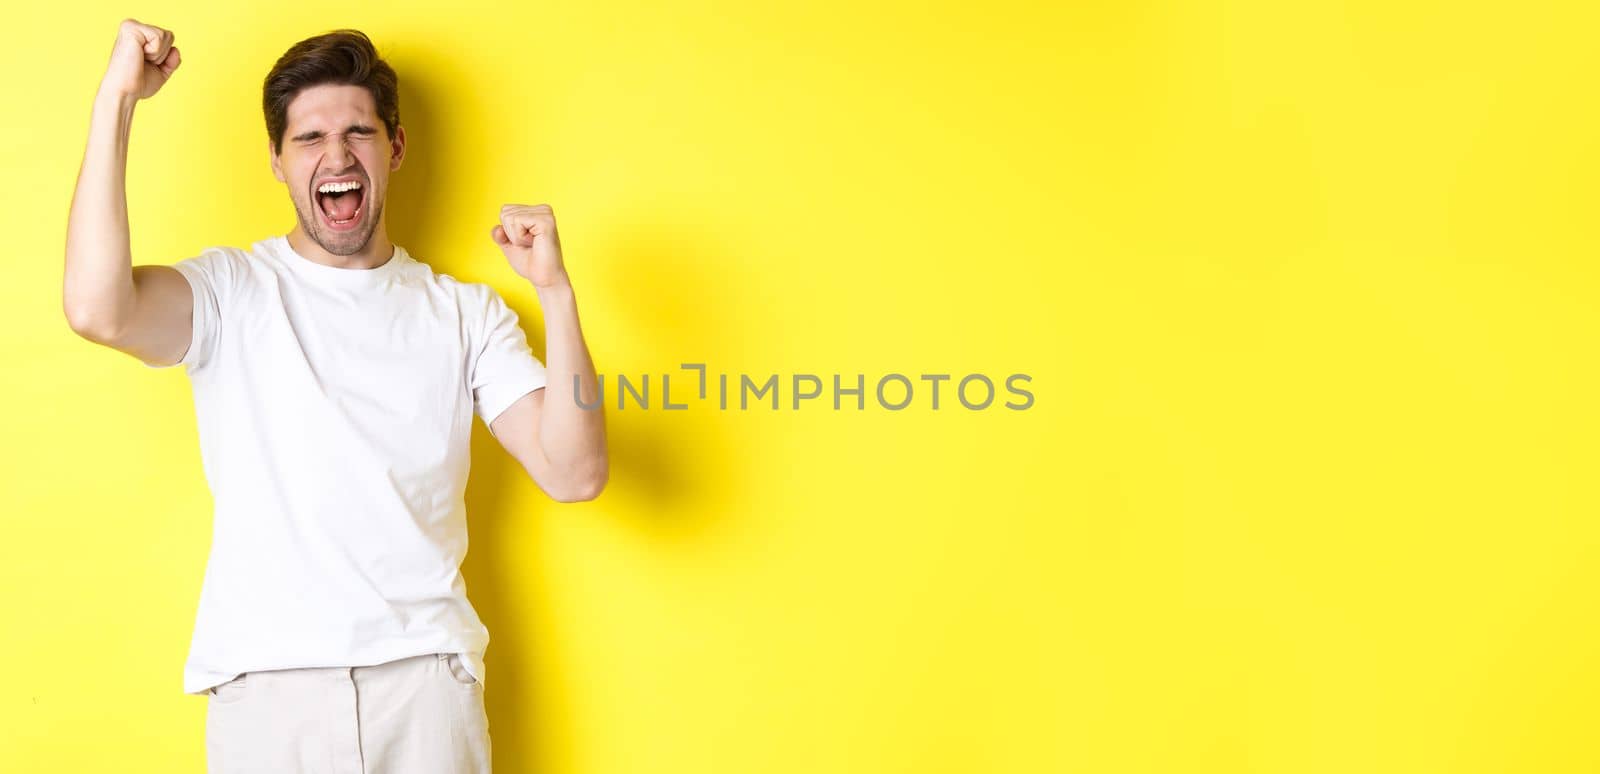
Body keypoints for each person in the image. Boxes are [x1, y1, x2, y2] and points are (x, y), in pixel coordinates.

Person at [62, 19, 609, 773]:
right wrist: (118, 96)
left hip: (425, 692)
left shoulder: (464, 314)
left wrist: (555, 292)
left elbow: (574, 472)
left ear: (395, 148)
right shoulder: (231, 291)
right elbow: (97, 310)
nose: (338, 154)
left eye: (359, 131)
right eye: (310, 139)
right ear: (278, 163)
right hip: (267, 694)